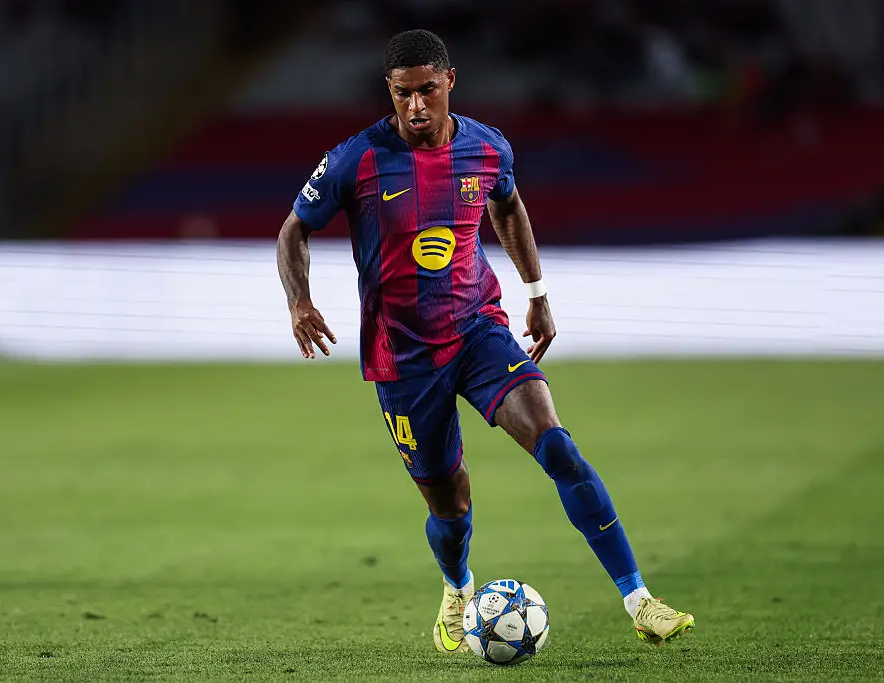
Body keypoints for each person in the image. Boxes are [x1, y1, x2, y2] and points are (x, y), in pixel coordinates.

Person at [276, 29, 694, 653]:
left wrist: (538, 293)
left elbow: (510, 208)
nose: (414, 106)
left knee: (559, 448)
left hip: (478, 331)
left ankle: (639, 599)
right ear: (388, 93)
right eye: (401, 94)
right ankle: (456, 584)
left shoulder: (486, 148)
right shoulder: (356, 160)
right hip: (403, 358)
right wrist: (299, 301)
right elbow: (292, 233)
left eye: (425, 91)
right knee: (450, 504)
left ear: (449, 82)